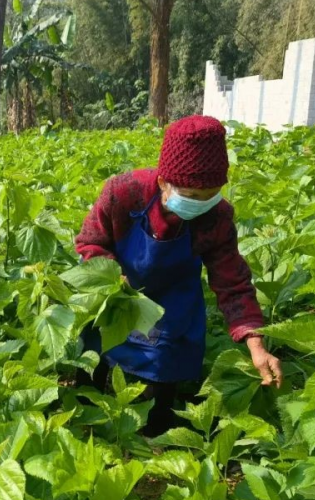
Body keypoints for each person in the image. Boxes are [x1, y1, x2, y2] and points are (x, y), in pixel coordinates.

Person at [74, 115, 283, 437]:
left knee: (164, 367)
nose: (201, 204)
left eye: (210, 194)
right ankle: (87, 424)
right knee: (95, 349)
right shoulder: (124, 192)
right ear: (163, 183)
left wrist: (255, 342)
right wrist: (113, 275)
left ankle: (155, 439)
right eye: (192, 195)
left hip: (173, 298)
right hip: (117, 292)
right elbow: (89, 241)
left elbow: (232, 281)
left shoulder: (216, 216)